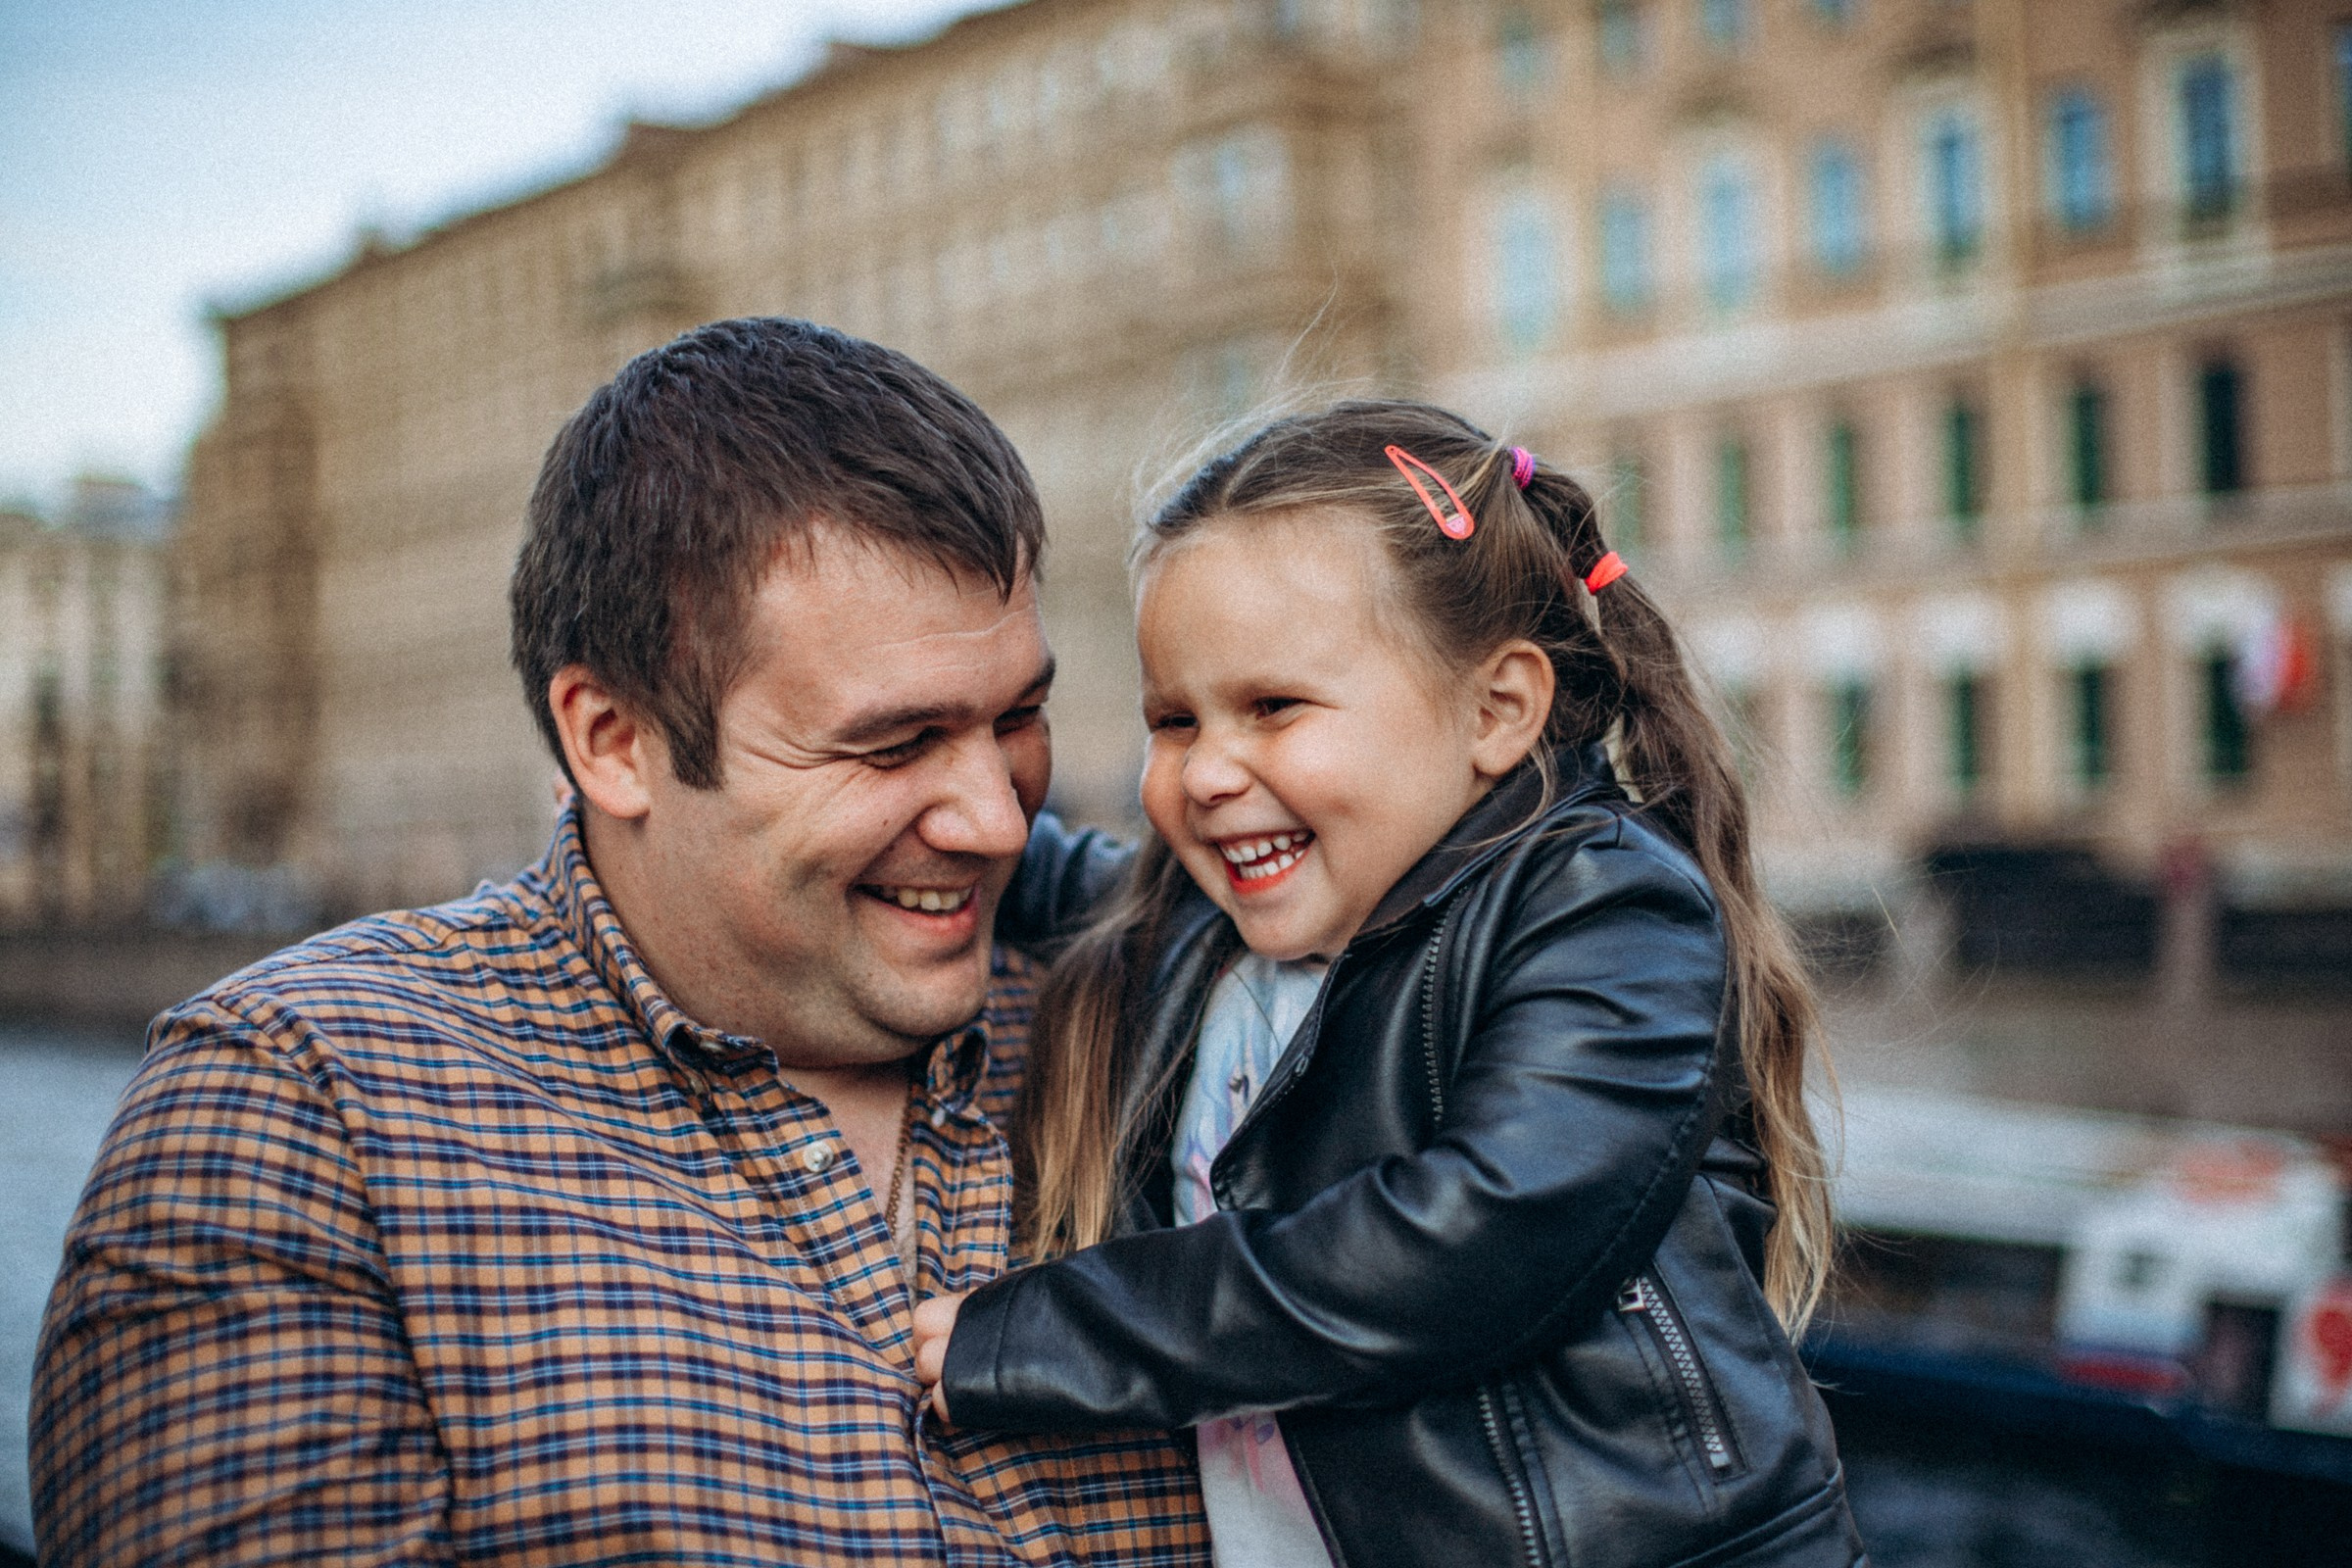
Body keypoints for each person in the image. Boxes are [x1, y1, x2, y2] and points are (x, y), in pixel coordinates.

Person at [31, 318, 1205, 1567]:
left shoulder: (1176, 1035)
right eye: (893, 743)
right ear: (611, 738)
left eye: (1018, 715)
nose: (996, 817)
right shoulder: (307, 1109)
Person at [913, 401, 1867, 1568]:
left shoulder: (1606, 909)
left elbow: (1471, 1241)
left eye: (1273, 707)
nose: (1208, 771)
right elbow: (1040, 863)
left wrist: (1050, 1332)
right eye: (1174, 719)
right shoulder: (1195, 935)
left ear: (1496, 710)